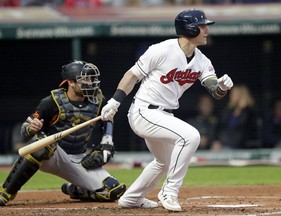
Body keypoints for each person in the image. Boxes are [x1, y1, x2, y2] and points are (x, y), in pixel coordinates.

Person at [101, 9, 233, 212]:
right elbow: (132, 75)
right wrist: (114, 102)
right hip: (144, 111)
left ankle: (131, 198)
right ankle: (169, 191)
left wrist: (222, 88)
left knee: (163, 162)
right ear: (189, 29)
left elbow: (214, 90)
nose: (206, 30)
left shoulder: (202, 61)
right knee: (191, 136)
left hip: (164, 115)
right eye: (202, 26)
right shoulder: (161, 50)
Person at [0, 60, 126, 206]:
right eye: (85, 79)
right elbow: (25, 129)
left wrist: (107, 140)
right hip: (52, 155)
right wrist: (31, 127)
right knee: (43, 145)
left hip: (78, 157)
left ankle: (75, 189)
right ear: (71, 82)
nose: (91, 83)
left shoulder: (98, 100)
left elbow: (107, 118)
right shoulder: (51, 102)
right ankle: (6, 192)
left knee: (113, 191)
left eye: (92, 78)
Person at [211, 84, 260, 150]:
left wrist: (245, 109)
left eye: (235, 94)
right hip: (223, 144)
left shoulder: (249, 111)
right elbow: (219, 127)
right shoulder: (227, 111)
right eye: (232, 94)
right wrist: (216, 141)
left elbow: (250, 129)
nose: (231, 96)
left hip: (240, 146)